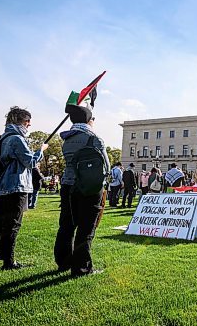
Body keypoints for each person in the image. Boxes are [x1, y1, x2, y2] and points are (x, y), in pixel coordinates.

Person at [0, 106, 47, 269]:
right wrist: (40, 151)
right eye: (27, 122)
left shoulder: (4, 136)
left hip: (0, 186)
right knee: (13, 223)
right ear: (20, 121)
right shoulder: (17, 139)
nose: (29, 125)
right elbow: (30, 162)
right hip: (15, 186)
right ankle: (8, 261)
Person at [54, 105, 109, 276]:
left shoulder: (67, 139)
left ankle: (63, 262)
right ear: (88, 120)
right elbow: (105, 167)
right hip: (88, 187)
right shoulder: (94, 138)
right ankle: (81, 267)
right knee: (86, 228)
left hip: (68, 184)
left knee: (66, 226)